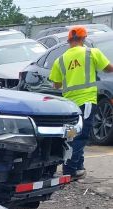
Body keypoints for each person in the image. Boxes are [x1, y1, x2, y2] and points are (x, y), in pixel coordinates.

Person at [49, 26, 113, 179]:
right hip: (86, 101)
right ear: (84, 39)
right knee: (82, 136)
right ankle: (70, 170)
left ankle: (78, 166)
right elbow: (108, 68)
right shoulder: (91, 53)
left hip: (69, 105)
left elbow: (56, 84)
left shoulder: (61, 59)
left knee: (72, 135)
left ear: (69, 41)